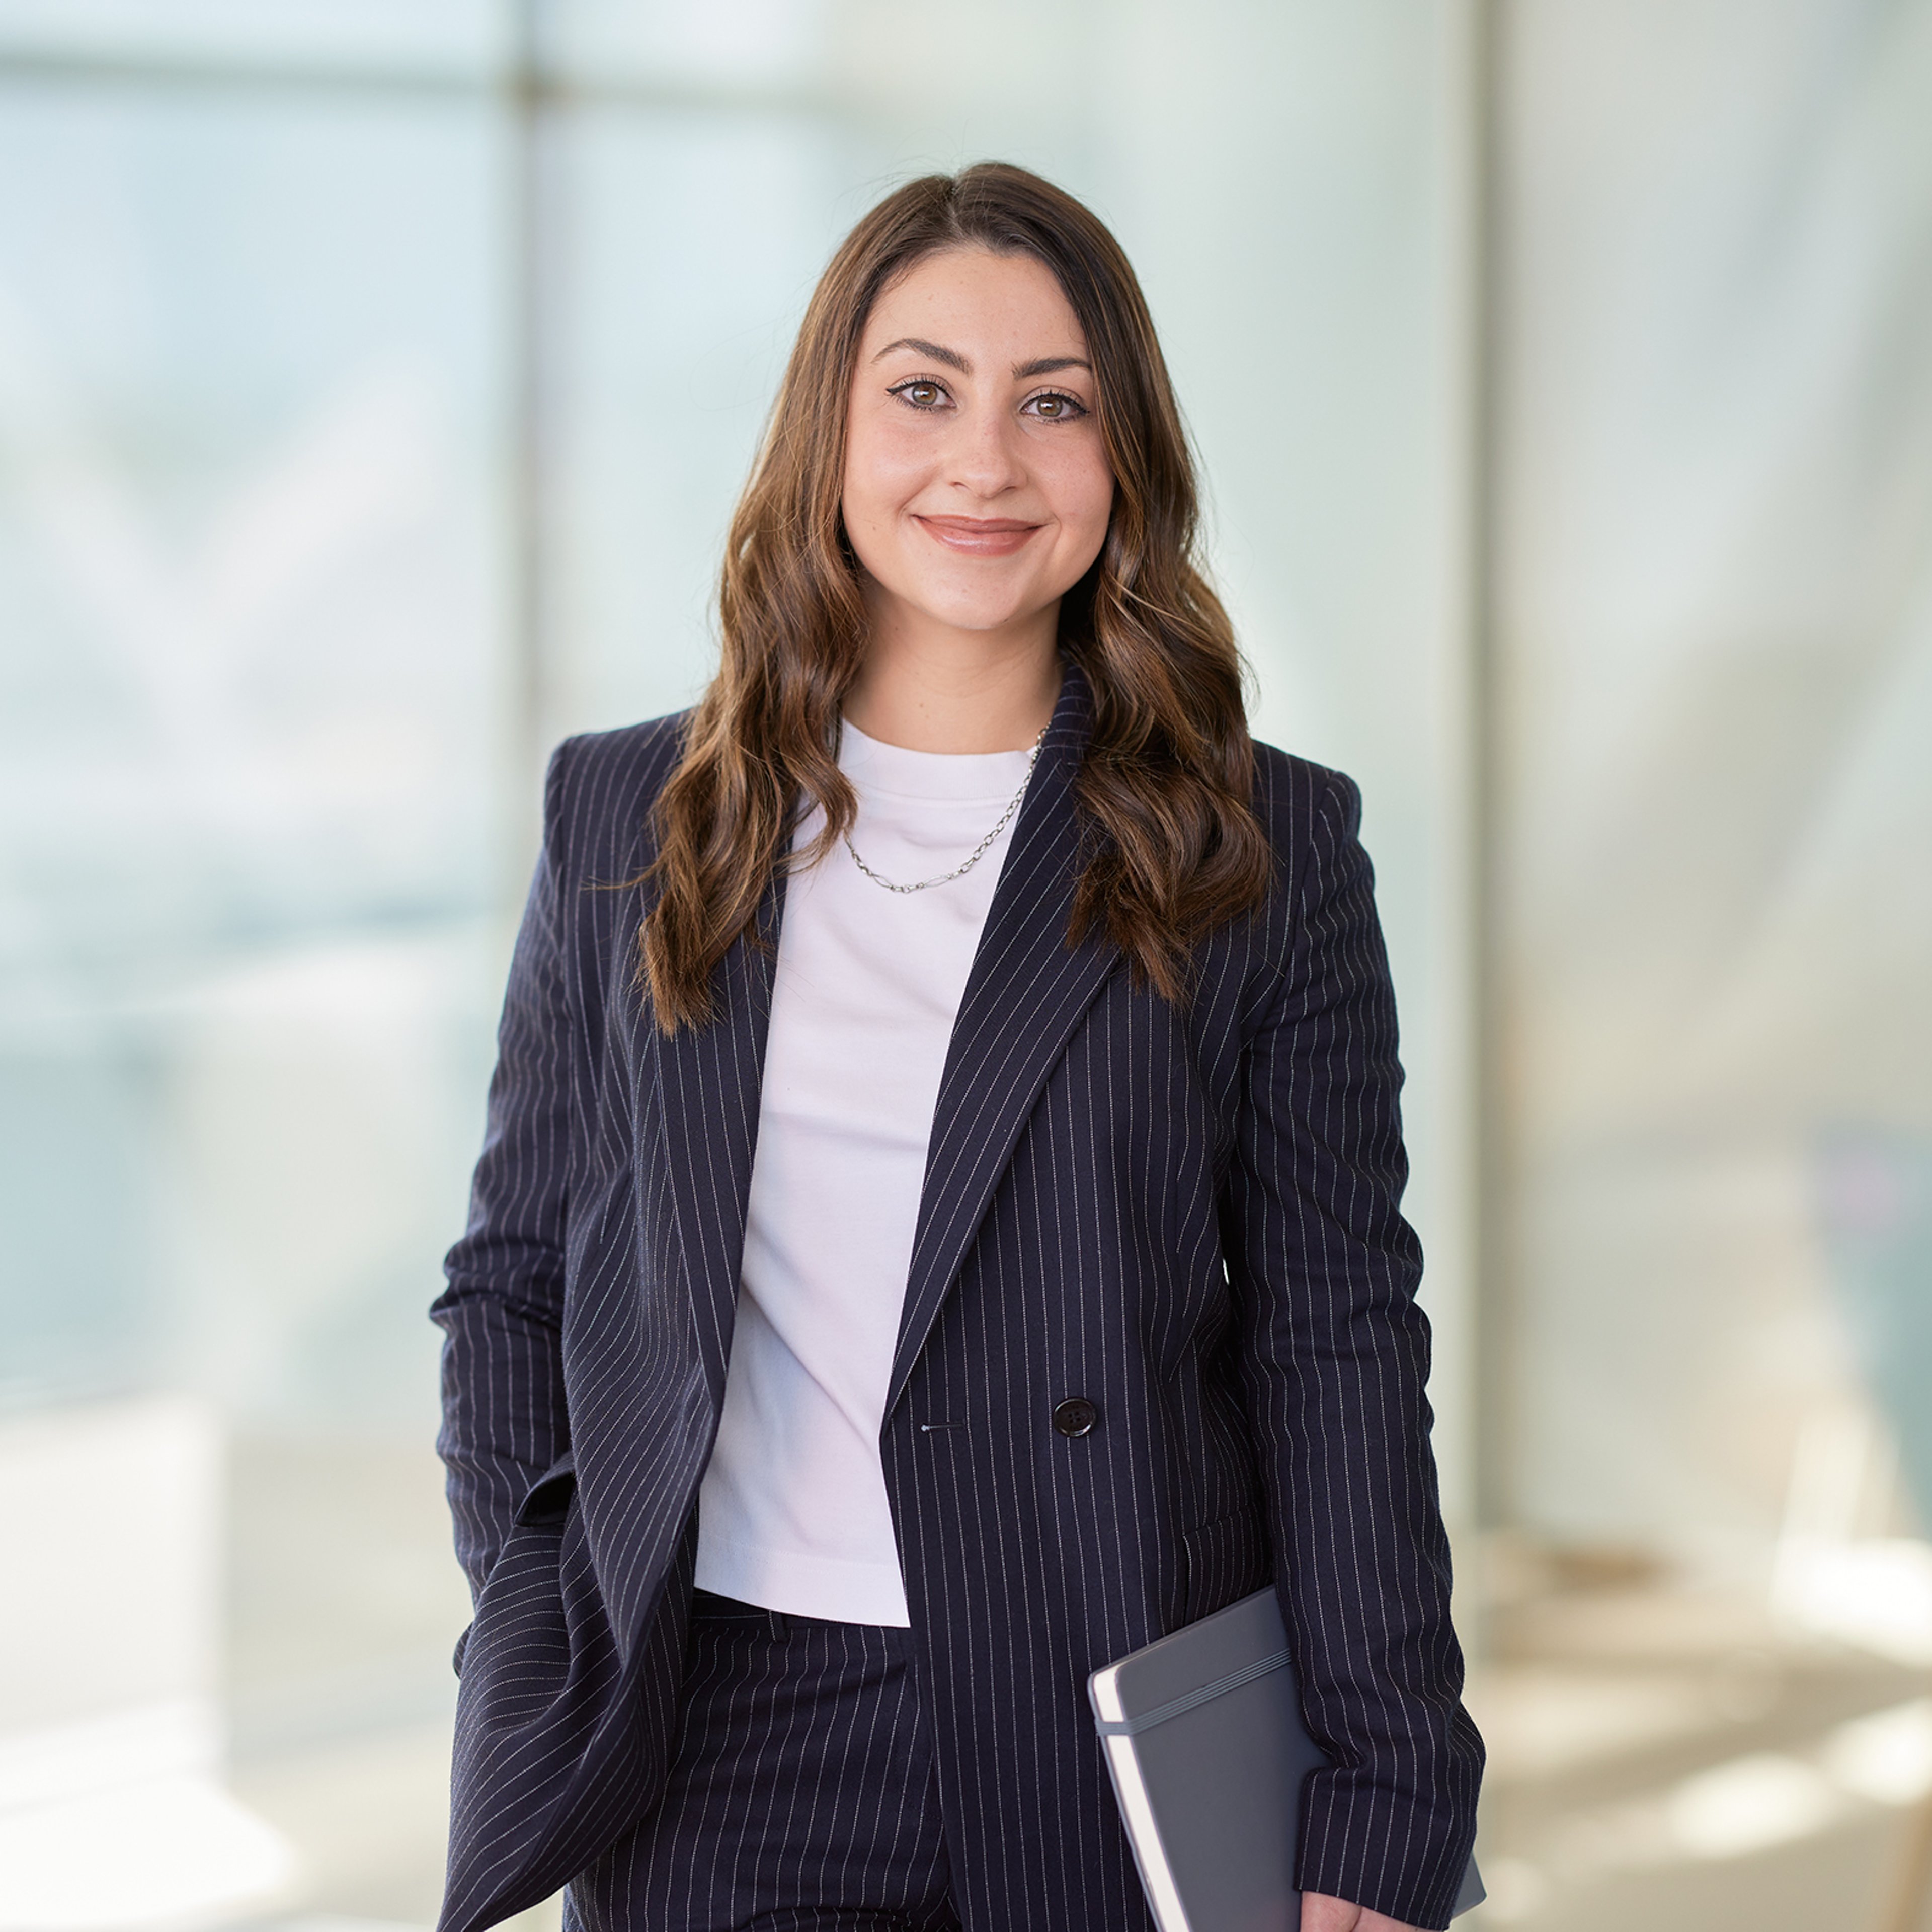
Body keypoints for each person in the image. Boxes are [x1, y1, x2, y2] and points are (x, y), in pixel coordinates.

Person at [430, 162, 1484, 1932]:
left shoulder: (1263, 849)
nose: (983, 461)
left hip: (1109, 1716)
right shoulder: (633, 813)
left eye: (1052, 404)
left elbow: (1338, 1343)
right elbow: (517, 1281)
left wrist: (1387, 1797)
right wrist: (550, 1615)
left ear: (1123, 459)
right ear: (828, 434)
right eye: (922, 390)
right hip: (717, 1737)